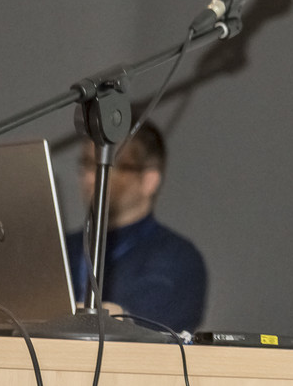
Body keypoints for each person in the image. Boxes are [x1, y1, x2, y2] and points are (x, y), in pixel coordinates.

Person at [65, 121, 208, 333]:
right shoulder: (62, 247)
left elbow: (149, 329)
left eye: (107, 165)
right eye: (86, 164)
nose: (90, 177)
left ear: (149, 180)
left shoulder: (178, 258)